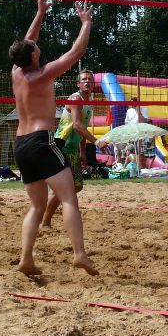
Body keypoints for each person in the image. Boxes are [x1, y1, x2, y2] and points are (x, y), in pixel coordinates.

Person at [9, 0, 97, 276]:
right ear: (33, 56)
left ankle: (26, 259)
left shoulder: (17, 72)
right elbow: (77, 52)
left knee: (36, 206)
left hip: (21, 144)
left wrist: (40, 13)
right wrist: (85, 22)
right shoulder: (43, 73)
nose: (36, 46)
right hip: (41, 141)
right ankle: (79, 254)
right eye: (34, 48)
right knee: (69, 197)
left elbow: (27, 42)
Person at [42, 69, 102, 230]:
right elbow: (76, 125)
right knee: (64, 188)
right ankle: (45, 222)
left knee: (77, 186)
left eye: (90, 79)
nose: (87, 81)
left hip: (73, 148)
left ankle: (57, 208)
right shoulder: (76, 98)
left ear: (93, 84)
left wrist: (83, 152)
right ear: (78, 84)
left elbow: (82, 128)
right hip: (61, 146)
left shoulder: (89, 103)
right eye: (84, 79)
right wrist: (96, 142)